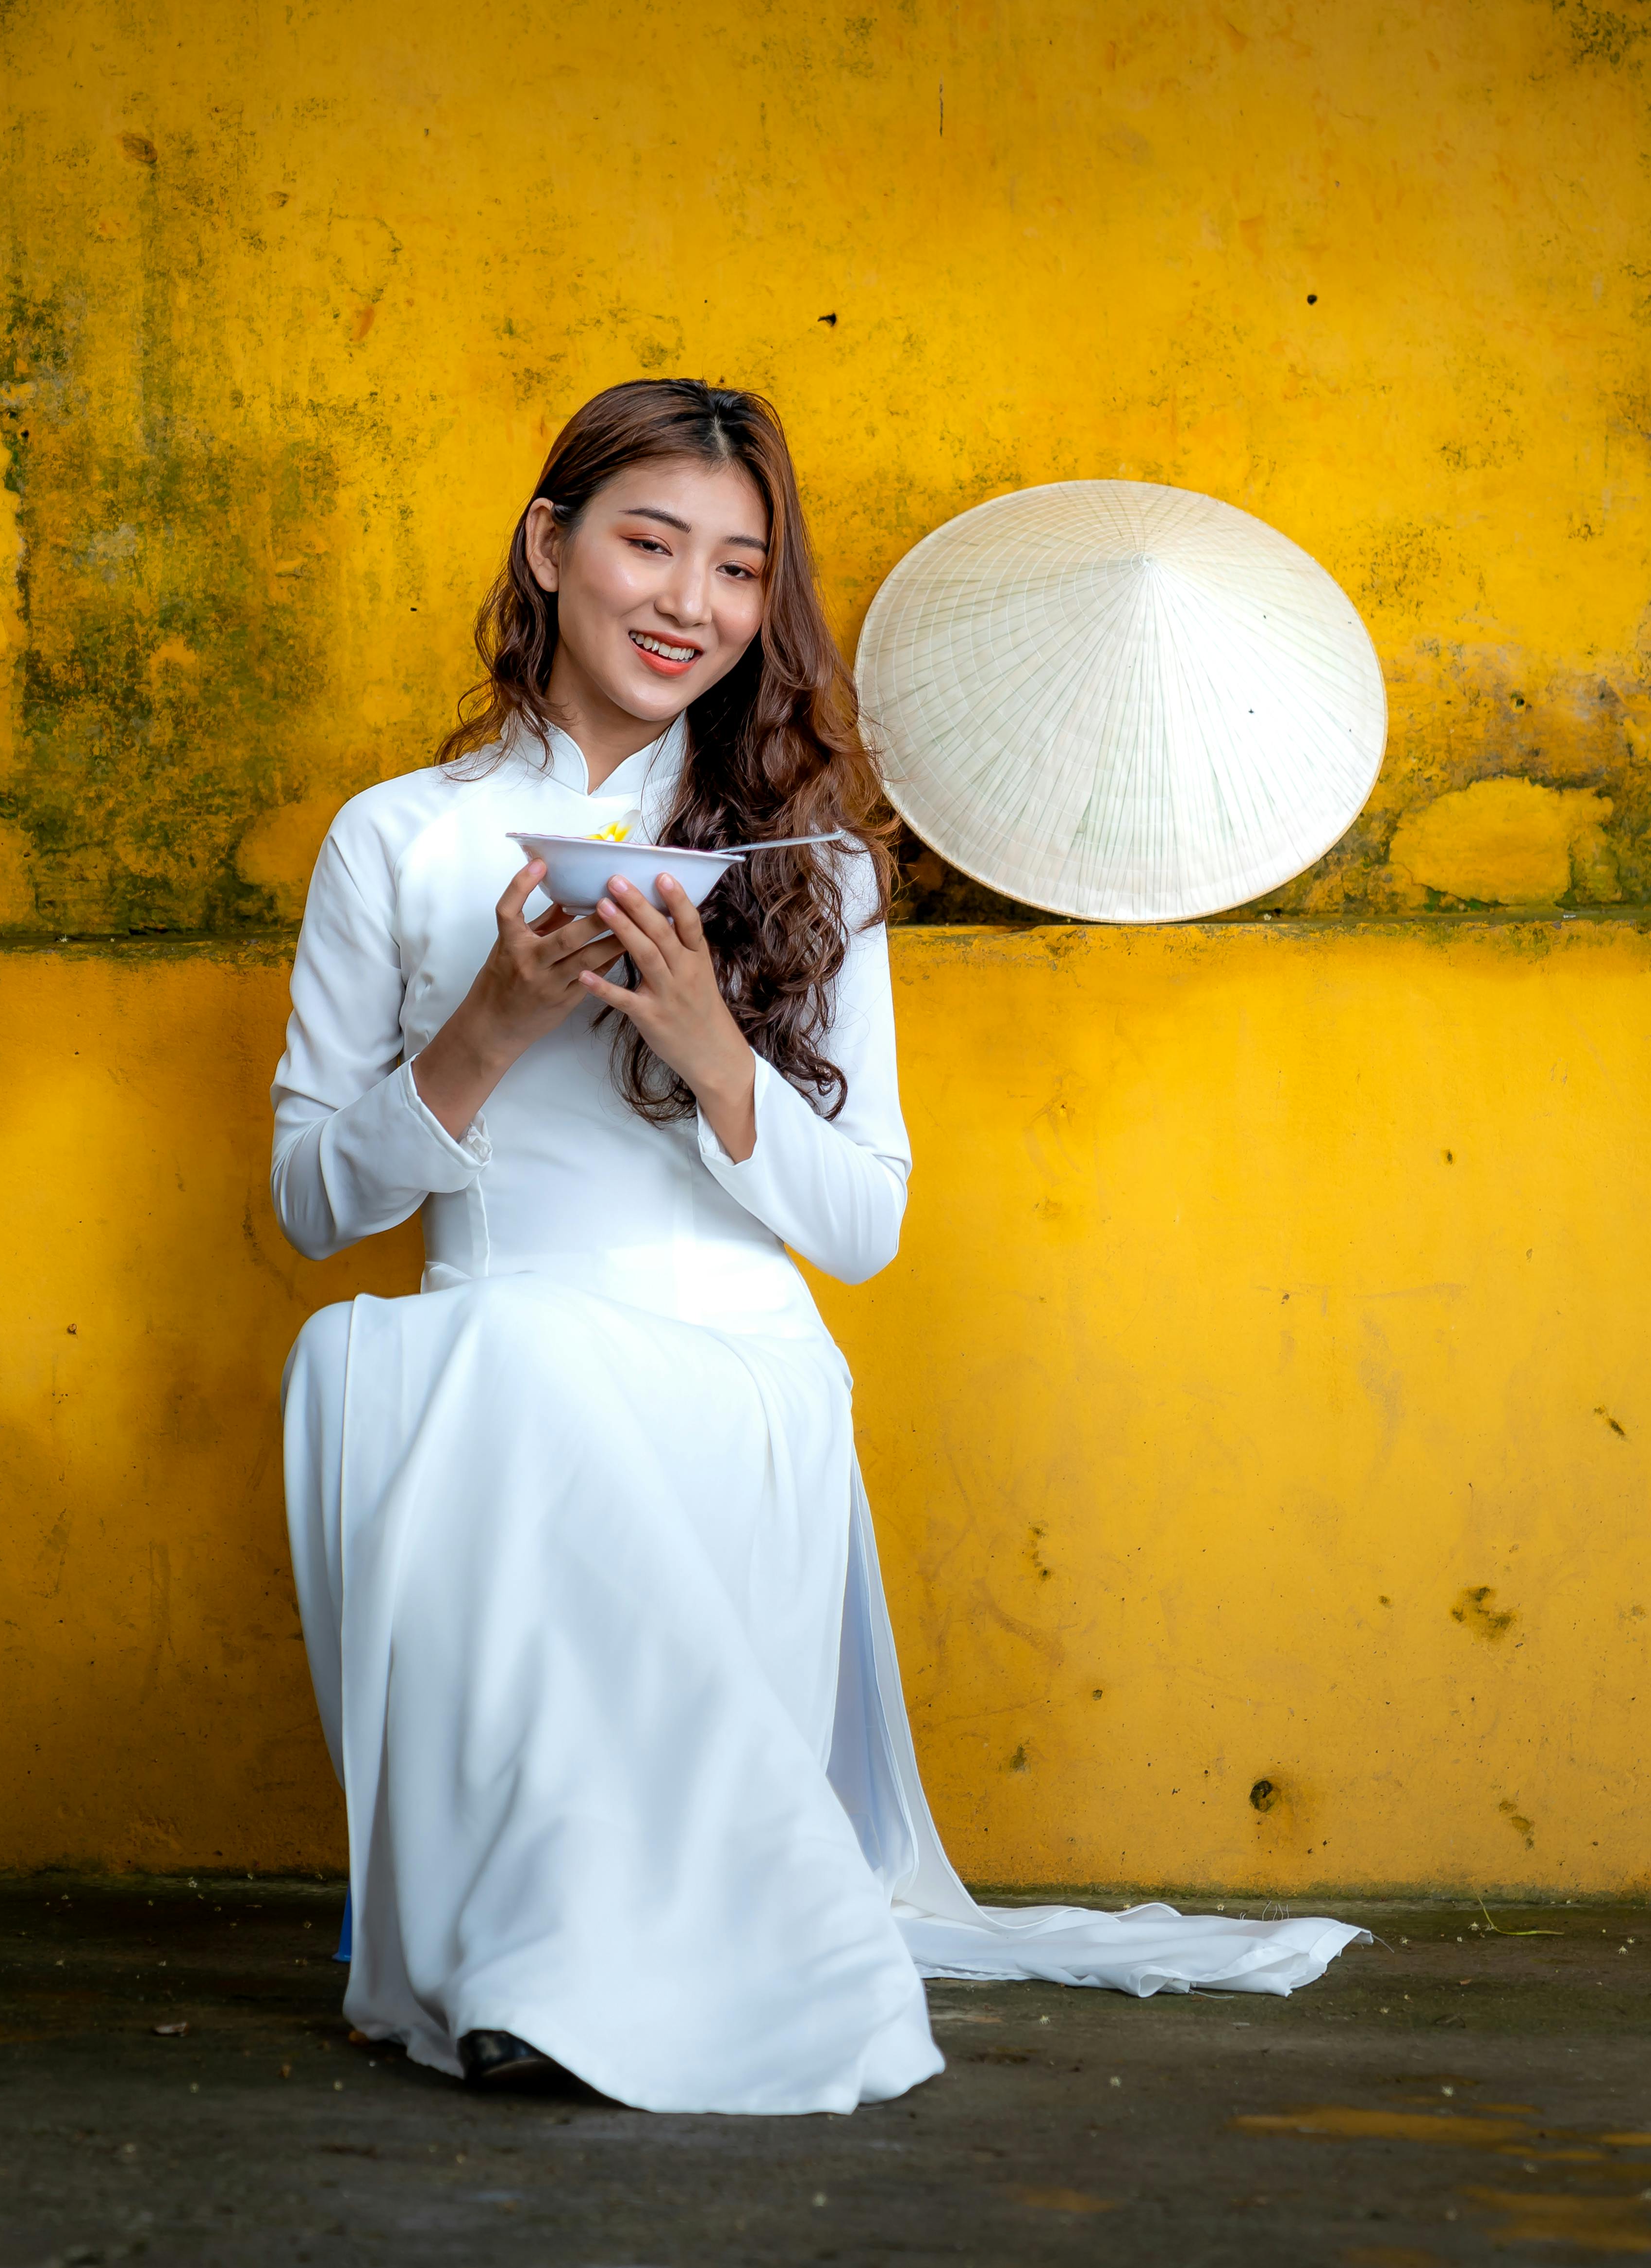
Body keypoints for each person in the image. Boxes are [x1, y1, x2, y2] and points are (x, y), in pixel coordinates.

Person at [270, 378, 1362, 2116]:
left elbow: (864, 1231)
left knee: (487, 1373)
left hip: (734, 1380)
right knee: (410, 1351)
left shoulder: (812, 866)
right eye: (647, 543)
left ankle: (566, 1977)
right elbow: (319, 1203)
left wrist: (711, 1043)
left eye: (737, 569)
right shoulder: (396, 839)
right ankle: (534, 1966)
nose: (686, 604)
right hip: (496, 1362)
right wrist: (488, 1021)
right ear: (551, 551)